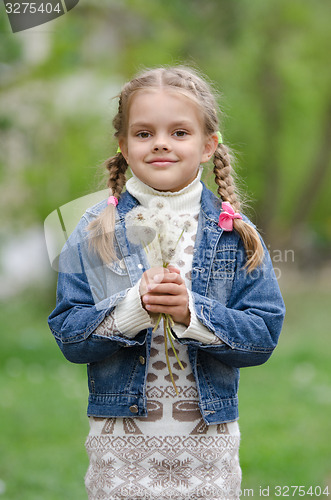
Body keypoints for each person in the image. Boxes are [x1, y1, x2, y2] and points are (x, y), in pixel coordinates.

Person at [48, 66, 285, 499]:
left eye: (179, 132)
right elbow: (70, 335)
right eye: (143, 133)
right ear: (123, 145)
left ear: (208, 145)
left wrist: (191, 313)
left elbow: (263, 335)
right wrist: (133, 307)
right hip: (122, 454)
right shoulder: (97, 231)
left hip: (205, 453)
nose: (160, 142)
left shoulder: (235, 232)